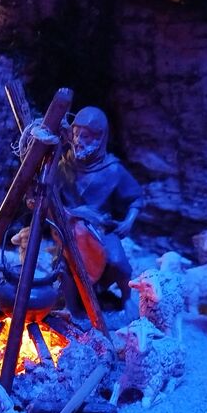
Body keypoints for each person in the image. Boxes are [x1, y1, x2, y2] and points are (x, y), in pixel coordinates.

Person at [58, 106, 144, 313]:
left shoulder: (113, 169)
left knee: (118, 262)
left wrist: (128, 221)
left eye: (85, 136)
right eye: (75, 134)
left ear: (99, 138)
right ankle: (72, 308)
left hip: (101, 228)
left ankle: (125, 298)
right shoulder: (63, 166)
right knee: (65, 265)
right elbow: (50, 200)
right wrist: (73, 214)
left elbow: (136, 198)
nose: (78, 140)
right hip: (71, 227)